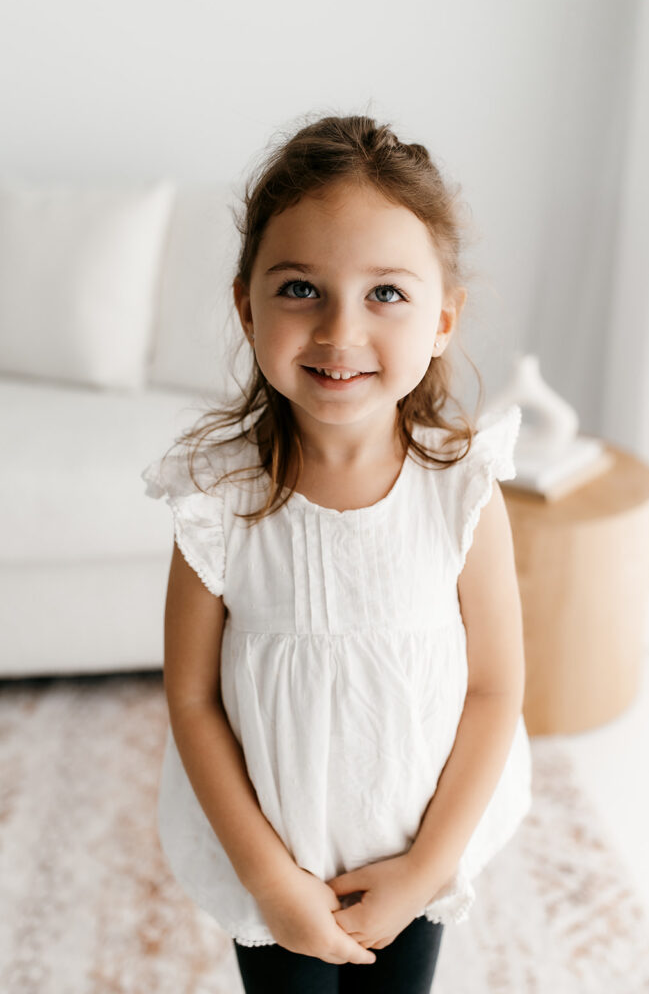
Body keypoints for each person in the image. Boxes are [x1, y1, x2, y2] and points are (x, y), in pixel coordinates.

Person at [142, 113, 532, 994]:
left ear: (442, 317)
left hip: (416, 855)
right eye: (300, 289)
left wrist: (428, 867)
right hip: (276, 863)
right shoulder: (216, 502)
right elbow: (193, 698)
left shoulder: (462, 490)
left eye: (385, 293)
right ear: (247, 306)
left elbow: (496, 689)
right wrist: (271, 879)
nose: (339, 331)